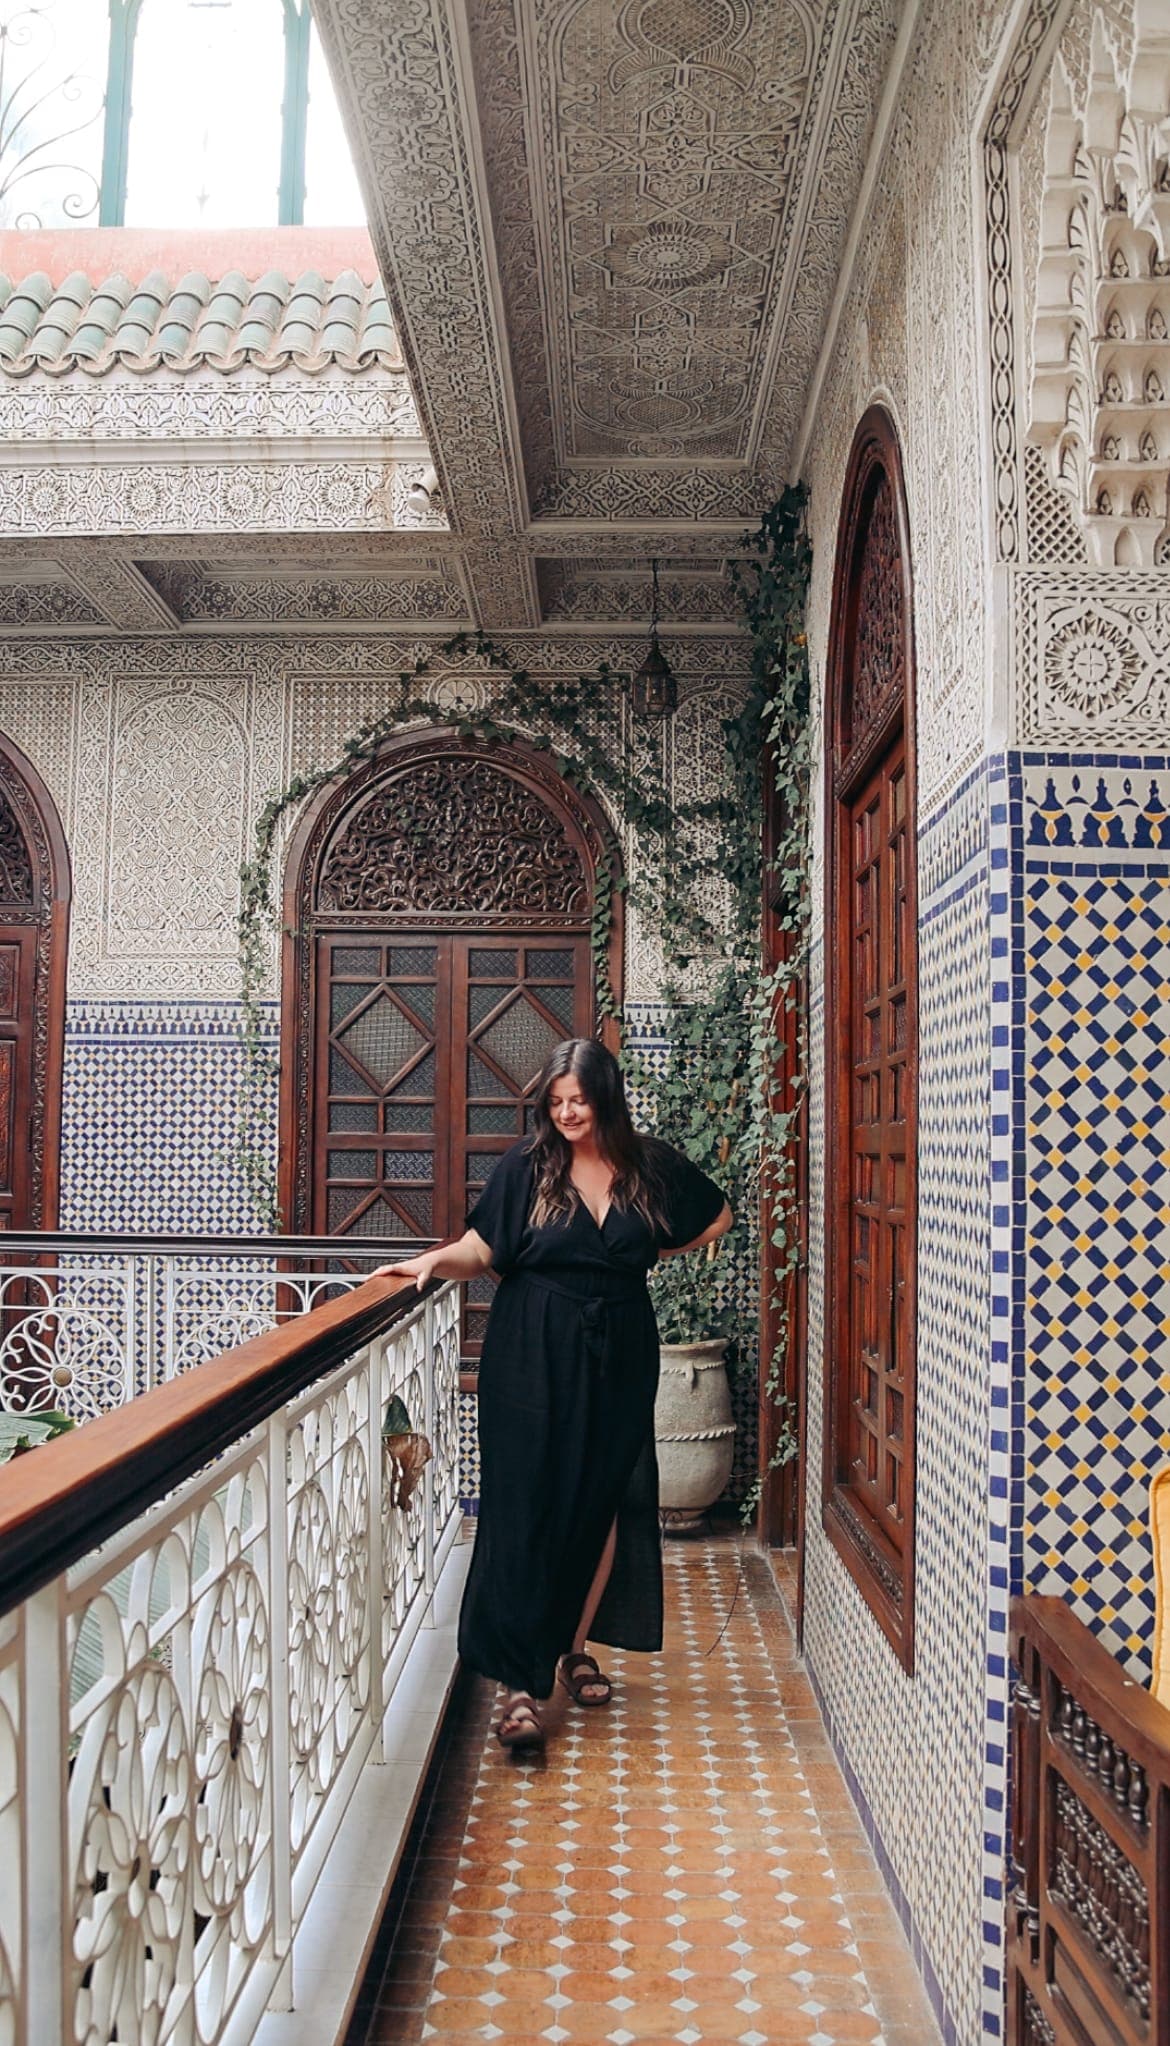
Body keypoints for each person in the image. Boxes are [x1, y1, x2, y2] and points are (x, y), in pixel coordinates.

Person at [381, 1036, 732, 1751]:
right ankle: (519, 1682)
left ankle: (570, 1647)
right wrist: (430, 1261)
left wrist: (638, 1255)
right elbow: (482, 1249)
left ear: (606, 1097)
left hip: (619, 1347)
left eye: (580, 1100)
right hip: (532, 1347)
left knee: (599, 1500)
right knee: (528, 1502)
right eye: (557, 1102)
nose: (569, 1113)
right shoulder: (528, 1165)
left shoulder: (647, 1164)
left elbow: (717, 1216)